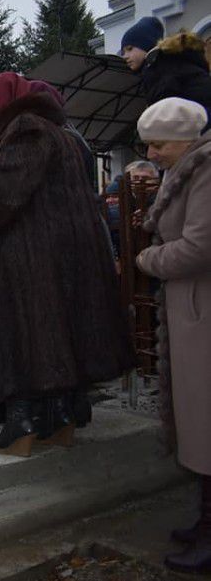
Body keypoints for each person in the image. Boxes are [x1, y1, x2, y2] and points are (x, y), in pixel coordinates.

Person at [0, 72, 133, 457]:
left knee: (25, 338)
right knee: (55, 337)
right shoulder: (61, 134)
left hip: (26, 262)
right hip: (55, 257)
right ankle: (61, 419)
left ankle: (21, 424)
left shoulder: (24, 130)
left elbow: (0, 198)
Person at [133, 98, 211, 574]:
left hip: (202, 310)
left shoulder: (204, 171)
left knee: (206, 421)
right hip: (193, 312)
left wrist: (147, 261)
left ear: (184, 139)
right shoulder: (189, 168)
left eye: (158, 143)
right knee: (200, 421)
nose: (151, 152)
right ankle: (206, 520)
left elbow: (199, 246)